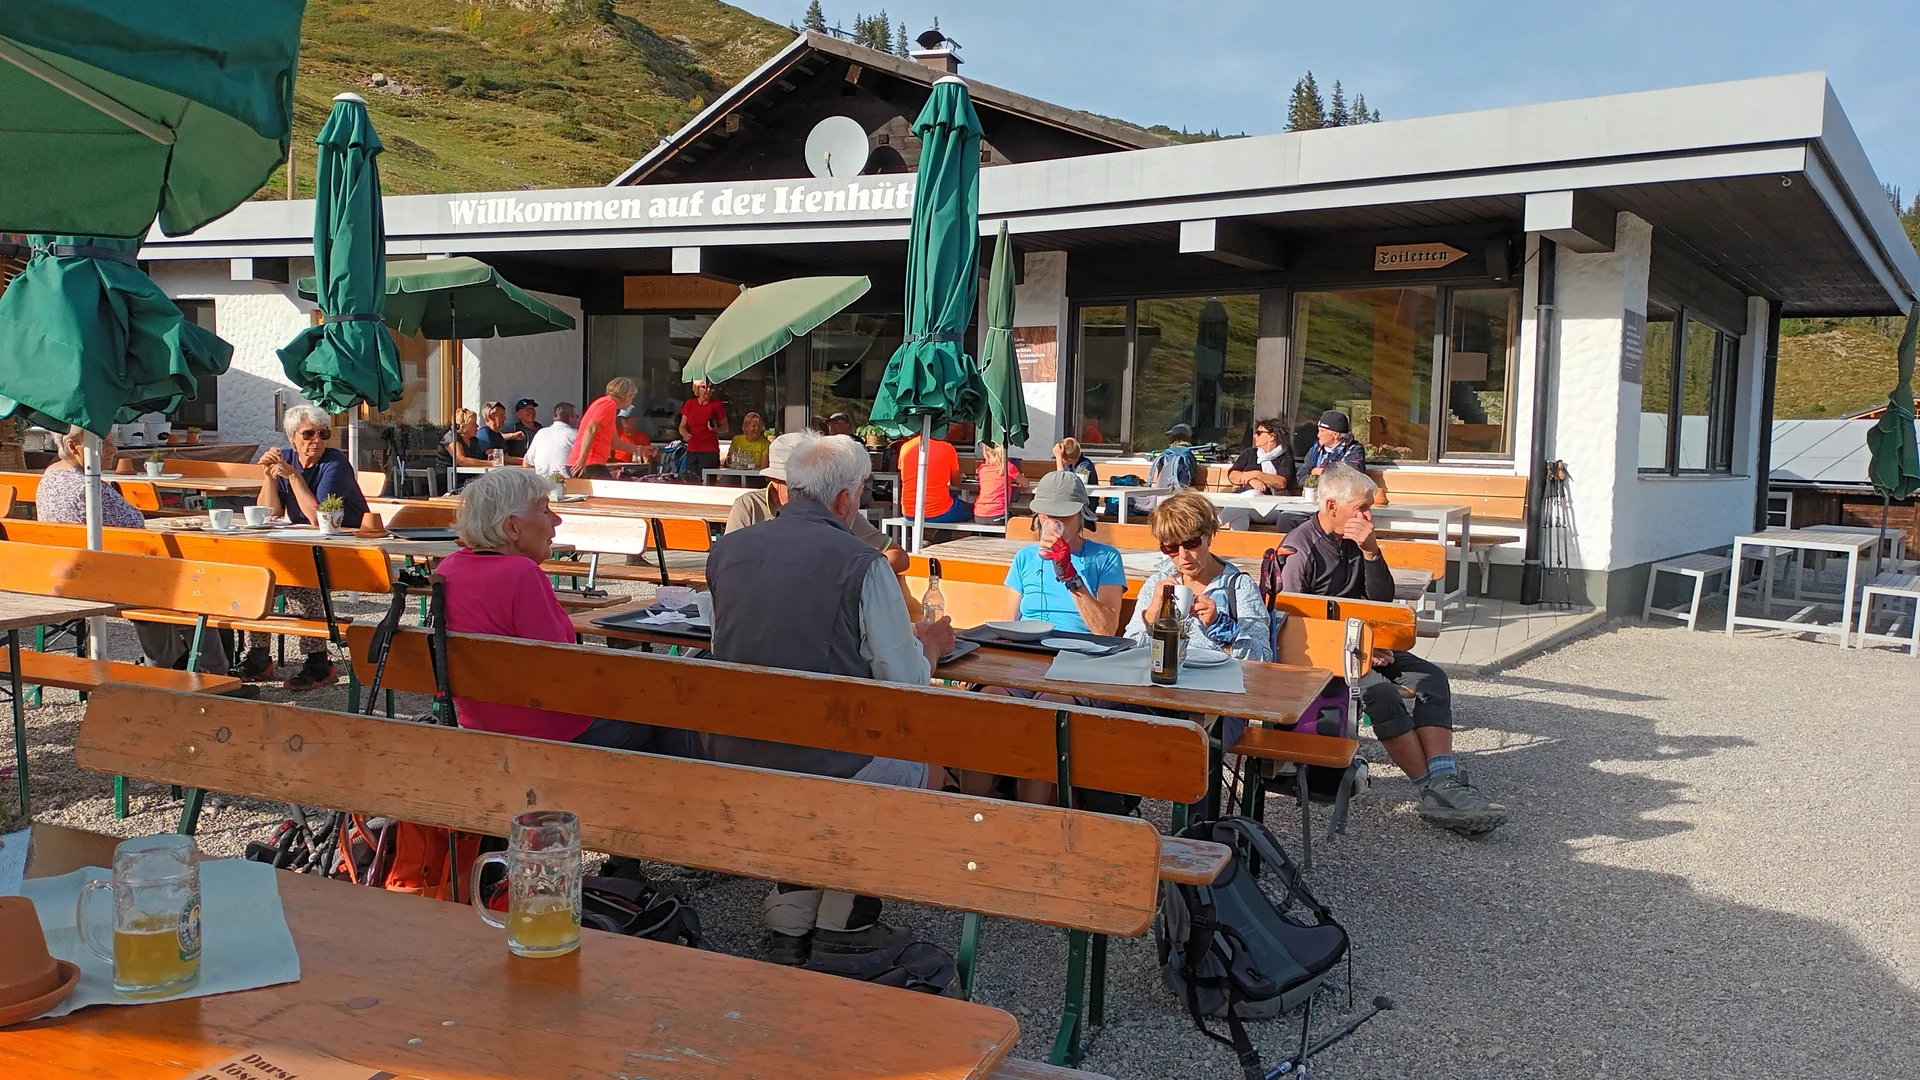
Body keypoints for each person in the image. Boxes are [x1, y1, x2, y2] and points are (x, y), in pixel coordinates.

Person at [704, 432, 954, 966]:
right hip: (827, 764)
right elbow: (906, 682)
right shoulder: (861, 564)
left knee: (805, 746)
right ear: (845, 499)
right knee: (918, 756)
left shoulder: (727, 552)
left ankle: (792, 907)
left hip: (738, 756)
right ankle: (845, 912)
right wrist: (929, 647)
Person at [1276, 463, 1507, 834]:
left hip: (1366, 643)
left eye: (1370, 509)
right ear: (1332, 505)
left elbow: (1380, 601)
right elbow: (1292, 623)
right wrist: (1361, 648)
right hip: (1323, 654)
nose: (1368, 517)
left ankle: (1444, 780)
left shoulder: (1358, 540)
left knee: (1431, 678)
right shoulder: (1300, 550)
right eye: (1361, 510)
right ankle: (1433, 792)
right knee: (1381, 694)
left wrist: (1371, 553)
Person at [435, 468, 694, 753]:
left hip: (482, 723)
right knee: (671, 706)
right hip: (549, 731)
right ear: (512, 527)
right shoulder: (521, 573)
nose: (557, 521)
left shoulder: (450, 567)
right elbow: (562, 668)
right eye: (545, 511)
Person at [36, 426, 243, 688]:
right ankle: (216, 675)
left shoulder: (51, 477)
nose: (113, 449)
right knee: (195, 584)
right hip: (108, 580)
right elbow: (135, 531)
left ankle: (172, 663)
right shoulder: (86, 487)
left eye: (111, 442)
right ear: (74, 447)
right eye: (103, 442)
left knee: (169, 580)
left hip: (66, 574)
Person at [242, 404, 370, 691]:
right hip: (305, 547)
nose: (317, 440)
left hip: (344, 548)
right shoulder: (286, 459)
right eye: (309, 434)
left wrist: (293, 477)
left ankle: (318, 662)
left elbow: (319, 517)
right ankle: (258, 656)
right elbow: (270, 513)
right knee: (255, 582)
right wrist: (268, 475)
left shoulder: (335, 463)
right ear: (292, 438)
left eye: (323, 434)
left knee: (303, 582)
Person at [726, 433, 909, 573]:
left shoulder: (830, 505)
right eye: (795, 484)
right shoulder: (749, 506)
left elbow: (898, 556)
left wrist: (853, 576)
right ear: (774, 480)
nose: (804, 491)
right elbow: (730, 565)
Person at [1125, 492, 1270, 661]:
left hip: (1217, 683)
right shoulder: (1157, 583)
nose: (1183, 555)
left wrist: (1219, 626)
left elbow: (1263, 658)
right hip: (1165, 680)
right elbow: (1130, 652)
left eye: (1191, 543)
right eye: (1170, 548)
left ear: (1209, 536)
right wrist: (1151, 617)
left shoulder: (1238, 587)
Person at [999, 471, 1126, 636]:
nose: (1054, 524)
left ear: (1081, 515)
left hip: (1077, 651)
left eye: (1063, 516)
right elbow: (1008, 620)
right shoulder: (1025, 557)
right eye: (1047, 516)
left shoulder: (1106, 557)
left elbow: (1106, 631)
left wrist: (1072, 578)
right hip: (1028, 648)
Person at [570, 377, 647, 478]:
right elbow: (591, 429)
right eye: (632, 397)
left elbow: (616, 443)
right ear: (625, 395)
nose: (631, 401)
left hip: (587, 463)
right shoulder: (609, 404)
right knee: (610, 491)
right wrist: (582, 459)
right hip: (588, 463)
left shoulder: (607, 405)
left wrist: (641, 449)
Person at [1227, 418, 1296, 528]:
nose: (1255, 436)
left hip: (1272, 507)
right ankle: (1236, 545)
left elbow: (1281, 482)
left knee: (1252, 495)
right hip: (1247, 506)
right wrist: (1251, 480)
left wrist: (1257, 474)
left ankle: (1213, 524)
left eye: (1259, 433)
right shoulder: (1250, 453)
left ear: (1272, 437)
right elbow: (1232, 474)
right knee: (1240, 515)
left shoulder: (1285, 456)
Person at [897, 430, 969, 524]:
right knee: (974, 510)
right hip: (940, 512)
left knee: (952, 500)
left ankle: (936, 537)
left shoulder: (905, 447)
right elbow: (955, 482)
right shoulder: (947, 448)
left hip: (909, 513)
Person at [1297, 410, 1366, 486]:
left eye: (1322, 431)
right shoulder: (1316, 449)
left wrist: (1317, 471)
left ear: (1336, 435)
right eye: (1318, 431)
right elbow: (1301, 477)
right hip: (1316, 494)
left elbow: (1350, 477)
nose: (1318, 435)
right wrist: (1321, 477)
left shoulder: (1354, 450)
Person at [678, 378, 729, 477]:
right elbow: (682, 426)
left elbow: (725, 428)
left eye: (710, 387)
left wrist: (715, 429)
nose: (708, 390)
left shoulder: (717, 405)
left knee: (707, 483)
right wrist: (685, 434)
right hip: (692, 450)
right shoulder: (690, 404)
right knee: (691, 482)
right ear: (697, 388)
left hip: (709, 451)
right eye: (704, 387)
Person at [970, 442, 1023, 526]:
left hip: (979, 516)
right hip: (998, 515)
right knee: (1018, 521)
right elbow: (1025, 484)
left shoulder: (982, 468)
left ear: (986, 452)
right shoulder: (1007, 466)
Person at [522, 401, 578, 479]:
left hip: (542, 485)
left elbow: (526, 464)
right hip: (567, 485)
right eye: (576, 416)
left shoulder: (541, 433)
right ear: (571, 418)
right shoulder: (576, 435)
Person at [437, 408, 491, 486]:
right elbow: (462, 461)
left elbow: (480, 458)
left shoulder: (473, 440)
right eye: (474, 422)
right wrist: (490, 463)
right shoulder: (451, 438)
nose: (477, 426)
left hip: (469, 479)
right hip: (451, 481)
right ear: (466, 424)